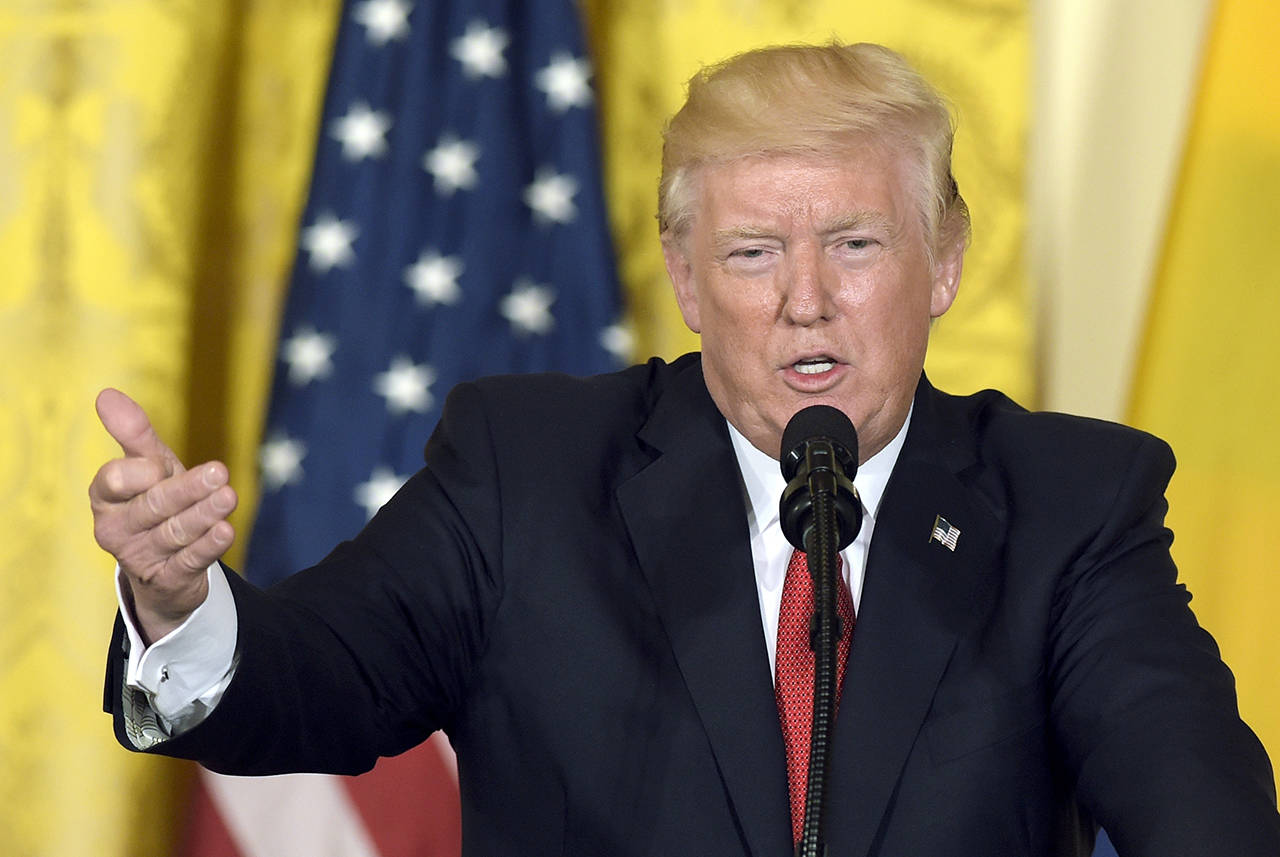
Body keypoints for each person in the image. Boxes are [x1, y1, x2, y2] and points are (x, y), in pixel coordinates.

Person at [91, 42, 1280, 856]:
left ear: (945, 265)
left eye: (856, 244)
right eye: (754, 252)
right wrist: (177, 598)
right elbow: (316, 683)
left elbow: (1201, 811)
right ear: (684, 280)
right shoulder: (529, 471)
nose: (803, 301)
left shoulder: (1069, 501)